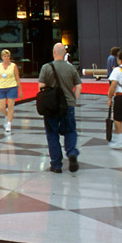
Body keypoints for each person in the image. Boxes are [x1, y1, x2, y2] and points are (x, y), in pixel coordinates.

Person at [37, 43, 82, 173]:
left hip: (51, 106)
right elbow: (79, 86)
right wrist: (73, 99)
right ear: (64, 54)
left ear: (54, 52)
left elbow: (41, 87)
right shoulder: (71, 68)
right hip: (68, 105)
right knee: (70, 130)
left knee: (52, 134)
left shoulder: (46, 67)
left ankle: (56, 165)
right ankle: (72, 152)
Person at [0, 49, 22, 133]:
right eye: (4, 56)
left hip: (12, 87)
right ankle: (6, 115)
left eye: (8, 56)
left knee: (11, 106)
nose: (6, 58)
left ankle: (9, 123)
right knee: (1, 107)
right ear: (2, 57)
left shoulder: (13, 66)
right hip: (1, 88)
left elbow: (17, 78)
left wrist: (20, 90)